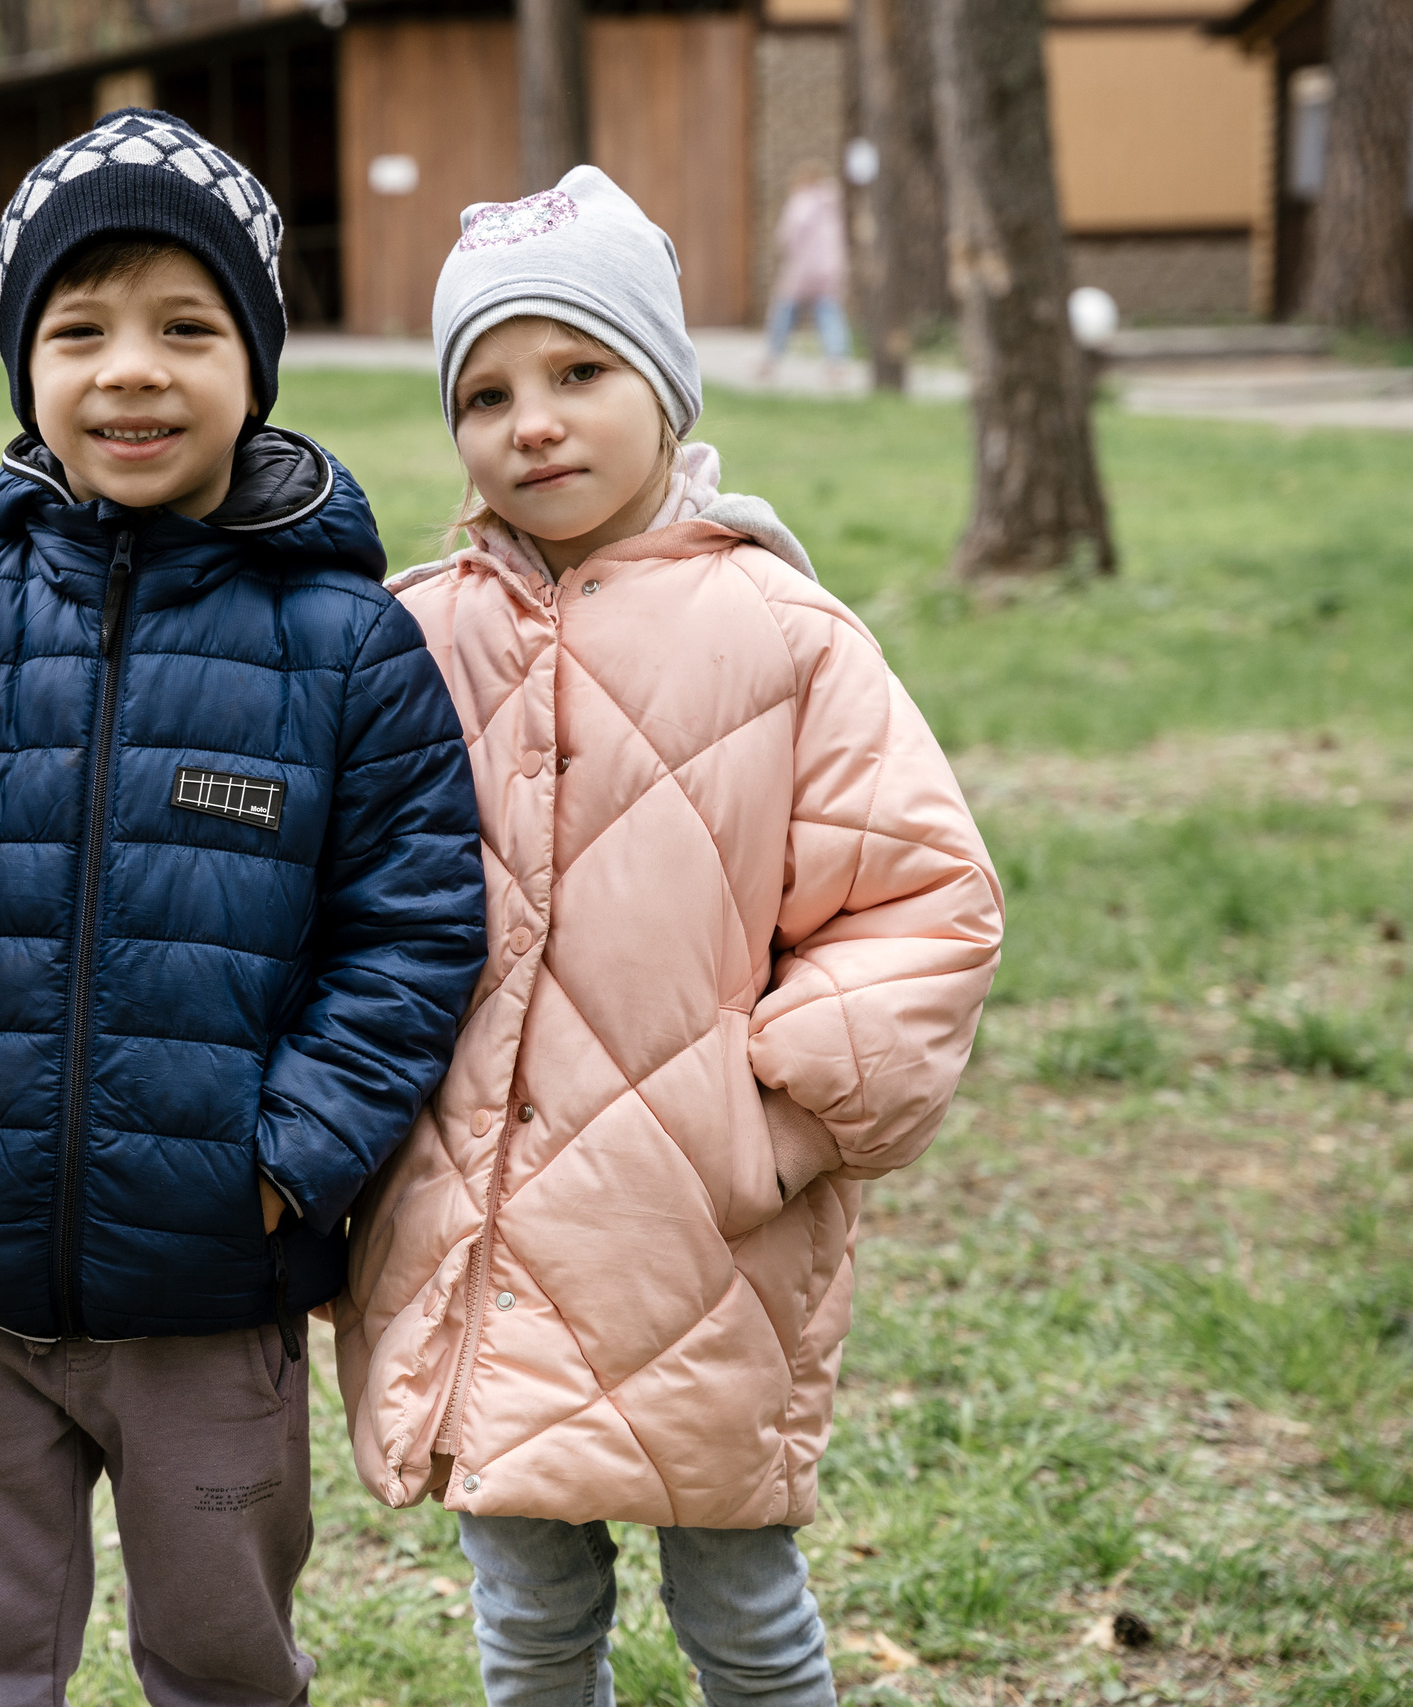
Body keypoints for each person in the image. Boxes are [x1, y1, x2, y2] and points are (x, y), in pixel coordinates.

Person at [0, 109, 487, 1707]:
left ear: (255, 366)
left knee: (224, 1641)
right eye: (80, 328)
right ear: (25, 366)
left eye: (188, 328)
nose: (132, 371)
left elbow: (414, 926)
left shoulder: (343, 641)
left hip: (212, 1284)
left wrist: (291, 1150)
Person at [335, 166, 1002, 1707]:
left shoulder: (784, 637)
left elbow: (924, 902)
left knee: (742, 1598)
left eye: (581, 371)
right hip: (477, 1219)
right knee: (526, 1598)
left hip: (699, 1224)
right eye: (487, 390)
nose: (534, 422)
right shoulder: (417, 631)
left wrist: (777, 1112)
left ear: (669, 386)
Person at [762, 162, 851, 381]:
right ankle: (836, 362)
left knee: (784, 311)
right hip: (830, 268)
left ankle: (771, 358)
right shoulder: (832, 202)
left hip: (802, 268)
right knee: (829, 313)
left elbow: (788, 233)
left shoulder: (801, 201)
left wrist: (783, 245)